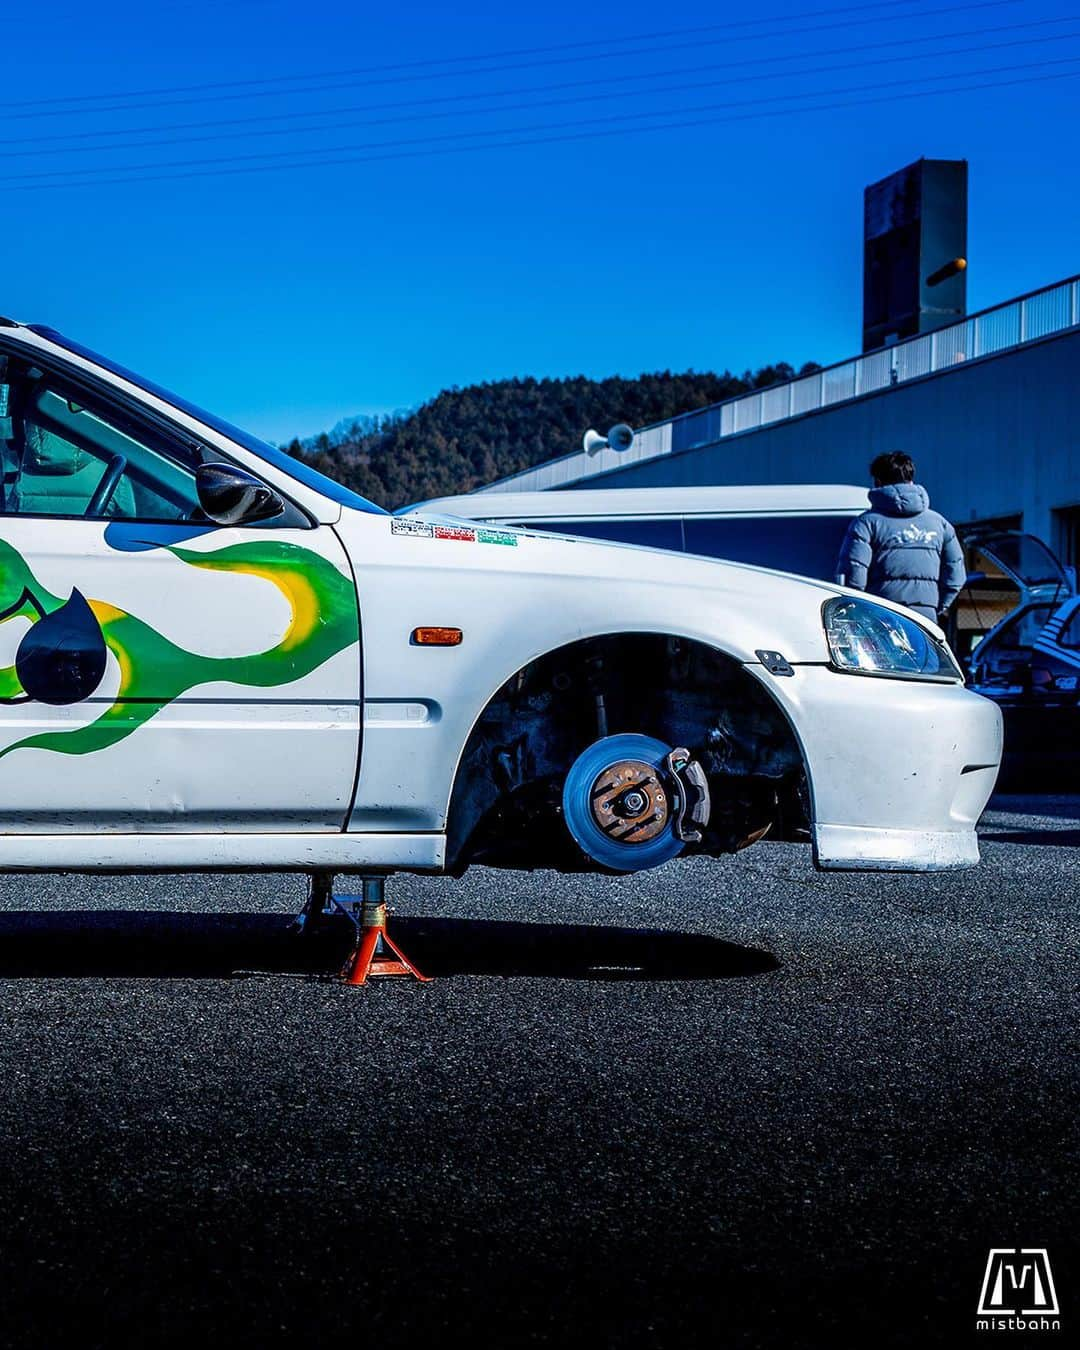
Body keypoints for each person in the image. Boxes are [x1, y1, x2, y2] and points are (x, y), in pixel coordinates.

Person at [835, 451, 965, 624]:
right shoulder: (940, 524)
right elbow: (955, 577)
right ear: (911, 480)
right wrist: (934, 606)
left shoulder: (866, 523)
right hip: (925, 618)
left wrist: (857, 612)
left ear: (877, 482)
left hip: (880, 615)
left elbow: (853, 574)